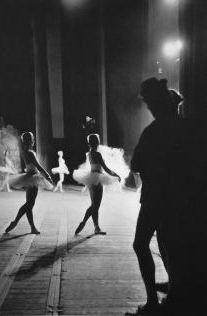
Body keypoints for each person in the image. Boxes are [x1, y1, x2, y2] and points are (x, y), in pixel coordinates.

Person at [128, 78, 190, 315]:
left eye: (149, 104)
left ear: (157, 103)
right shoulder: (184, 127)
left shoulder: (152, 132)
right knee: (171, 244)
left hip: (154, 196)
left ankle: (152, 302)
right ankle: (176, 292)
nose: (148, 108)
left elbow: (135, 164)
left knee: (141, 244)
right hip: (179, 196)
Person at [5, 132, 53, 234]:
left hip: (29, 177)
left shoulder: (26, 152)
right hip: (33, 178)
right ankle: (16, 221)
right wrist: (48, 175)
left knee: (29, 204)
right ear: (32, 140)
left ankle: (31, 227)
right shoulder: (30, 153)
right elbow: (38, 166)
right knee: (29, 204)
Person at [73, 134, 121, 235]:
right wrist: (116, 175)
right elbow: (106, 168)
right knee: (96, 205)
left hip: (91, 178)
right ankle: (86, 223)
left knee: (94, 205)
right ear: (97, 142)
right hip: (97, 179)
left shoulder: (90, 153)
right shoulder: (97, 154)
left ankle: (95, 227)